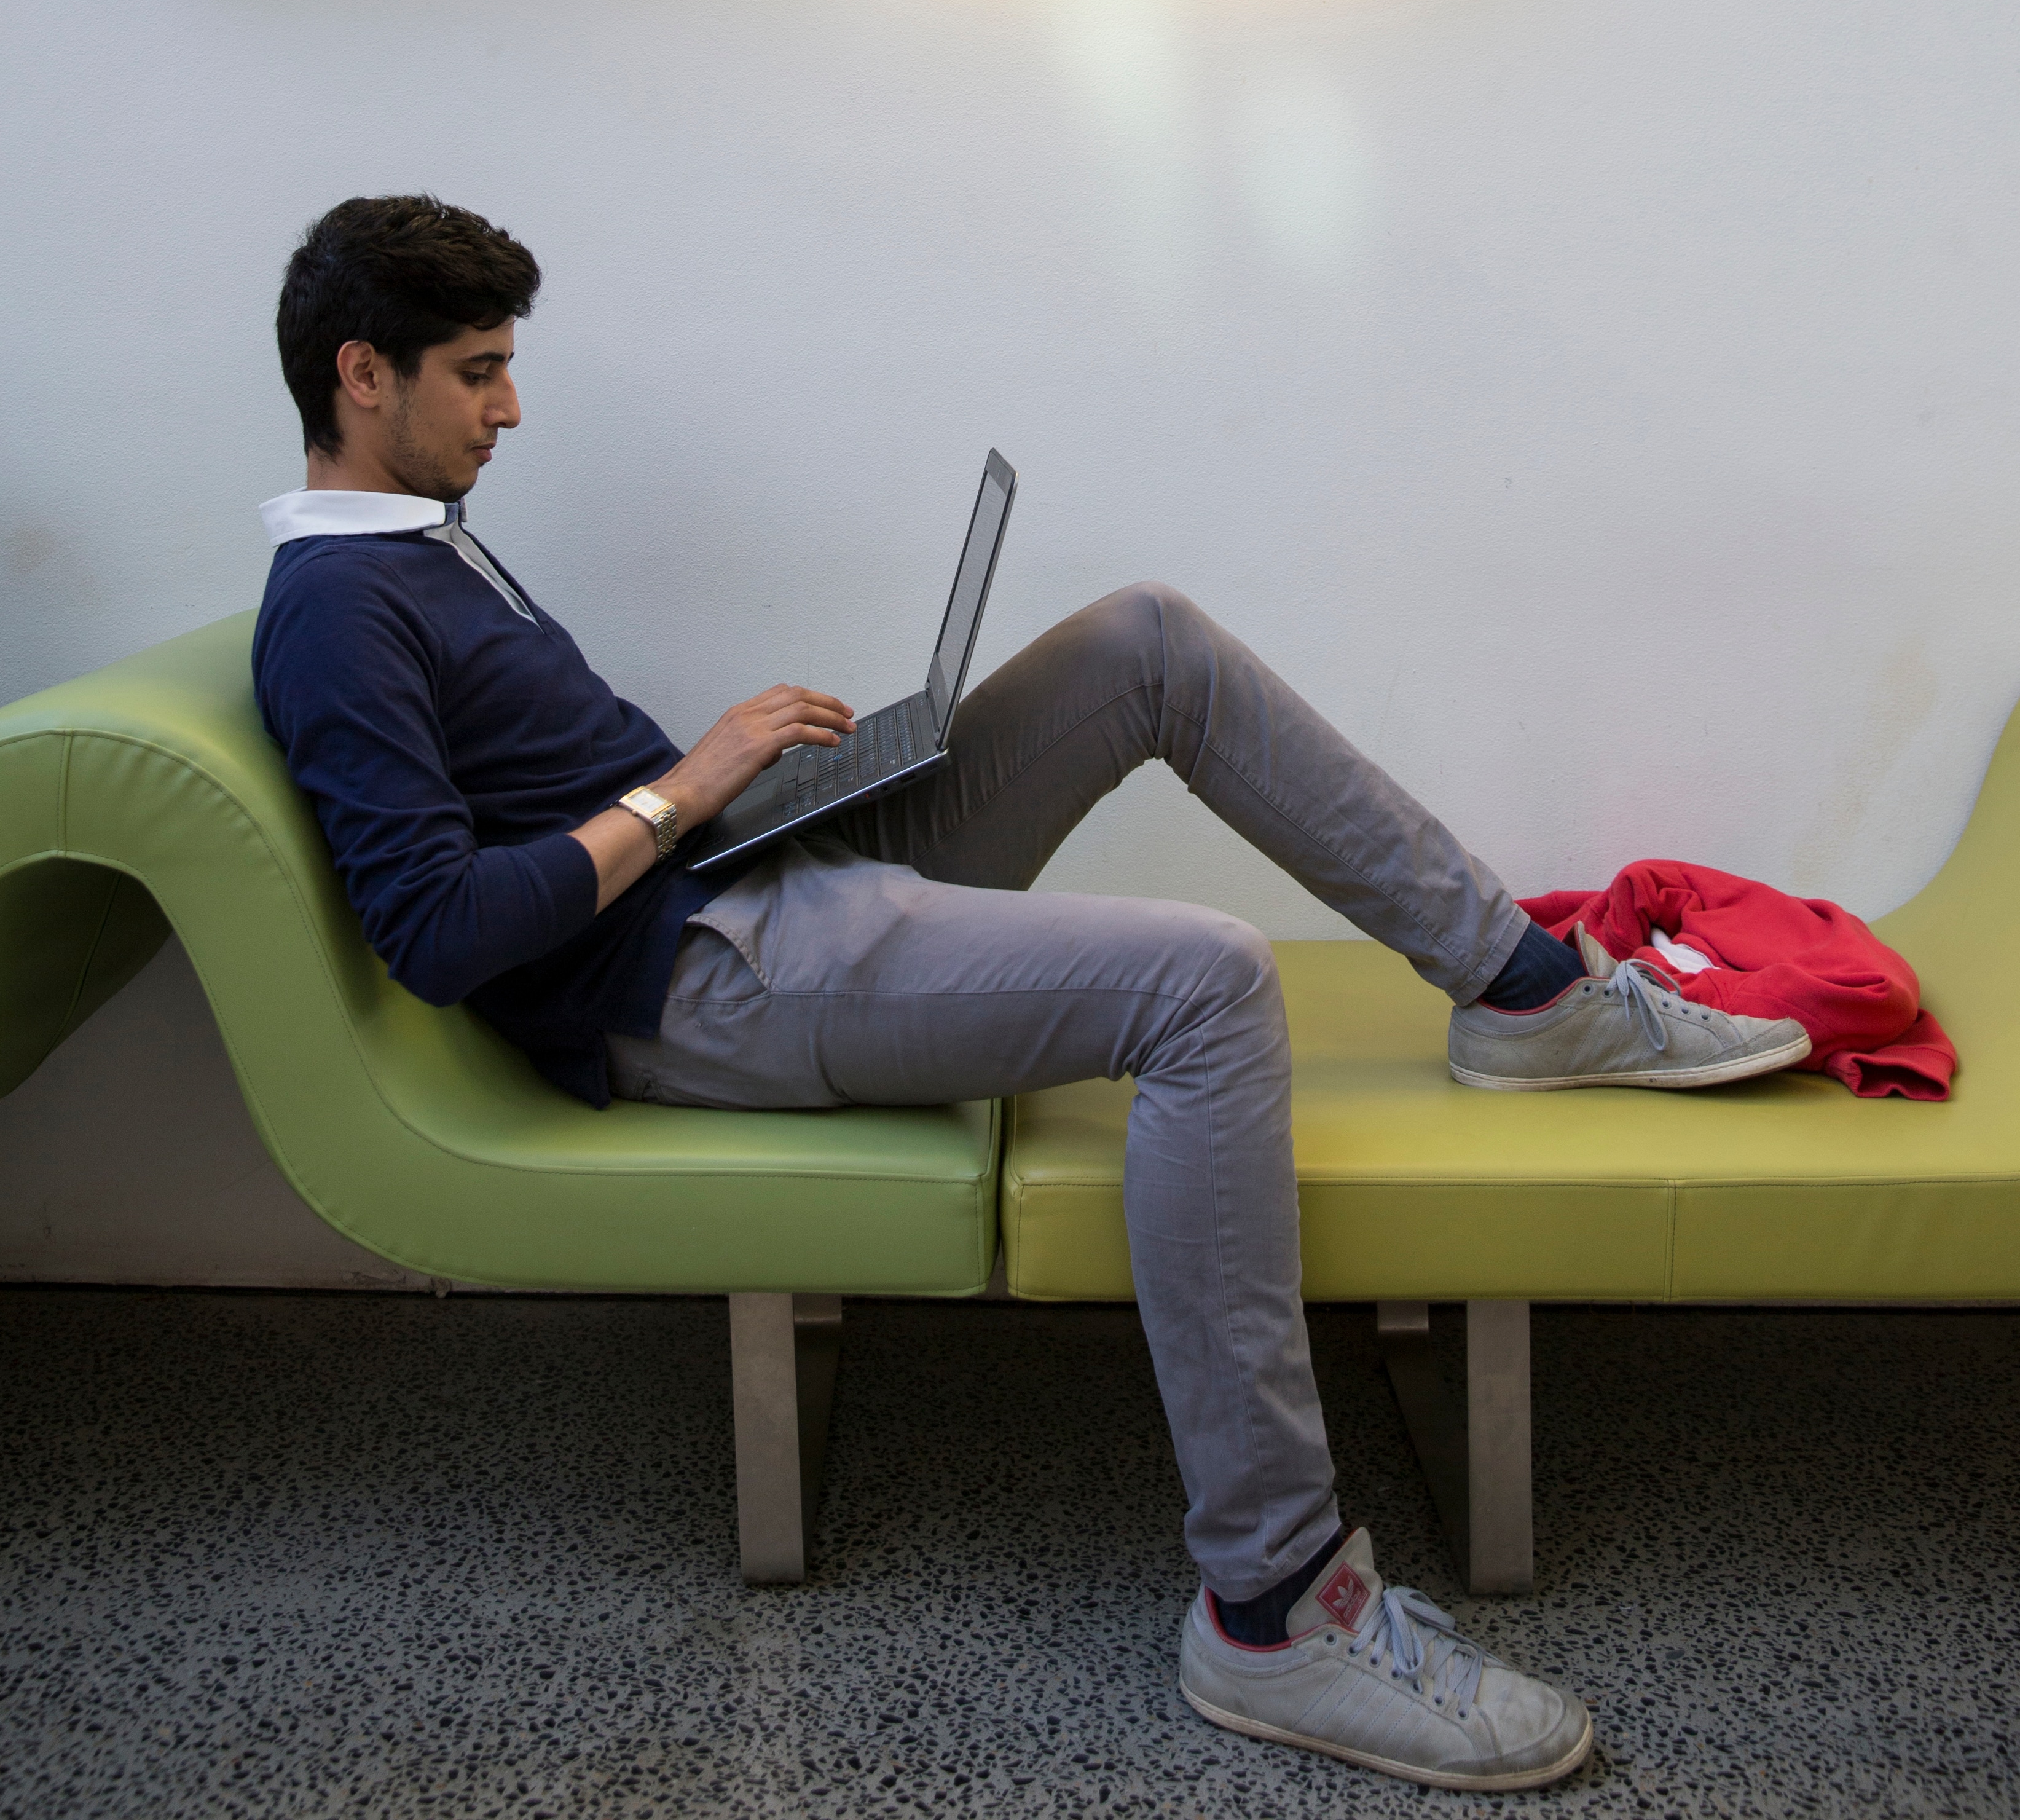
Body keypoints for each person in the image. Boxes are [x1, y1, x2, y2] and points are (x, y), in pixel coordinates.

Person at [254, 195, 1810, 1795]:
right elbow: (436, 928)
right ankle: (1274, 1608)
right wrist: (687, 785)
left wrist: (755, 784)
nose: (510, 408)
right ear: (362, 375)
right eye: (479, 373)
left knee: (1148, 640)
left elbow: (535, 795)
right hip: (701, 978)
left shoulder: (423, 550)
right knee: (1207, 984)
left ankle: (1531, 990)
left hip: (751, 872)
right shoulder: (331, 615)